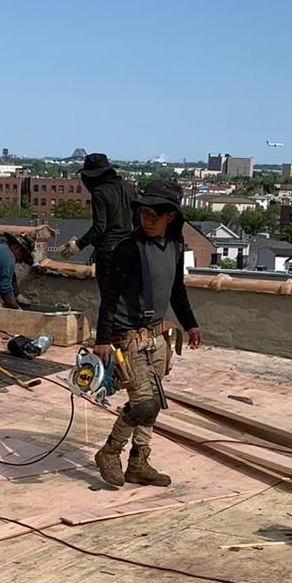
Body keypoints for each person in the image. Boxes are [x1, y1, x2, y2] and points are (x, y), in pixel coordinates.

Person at [91, 177, 202, 488]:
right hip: (126, 336)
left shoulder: (176, 246)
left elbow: (176, 290)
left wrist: (190, 323)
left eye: (154, 215)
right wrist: (102, 340)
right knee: (143, 403)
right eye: (143, 213)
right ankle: (110, 451)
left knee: (153, 401)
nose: (147, 219)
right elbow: (110, 296)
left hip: (156, 334)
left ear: (171, 216)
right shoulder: (127, 249)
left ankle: (139, 462)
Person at [59, 153, 134, 278]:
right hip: (128, 248)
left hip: (108, 251)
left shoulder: (100, 192)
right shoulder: (128, 188)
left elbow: (99, 227)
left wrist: (79, 244)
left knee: (108, 294)